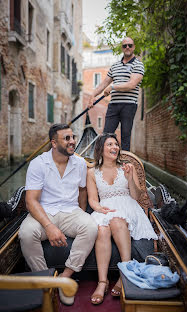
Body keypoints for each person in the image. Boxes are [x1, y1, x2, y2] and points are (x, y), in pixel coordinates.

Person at [19, 123, 98, 306]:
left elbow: (82, 191)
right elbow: (31, 201)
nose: (73, 142)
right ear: (54, 143)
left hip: (71, 211)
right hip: (44, 212)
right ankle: (46, 281)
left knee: (91, 226)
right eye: (67, 138)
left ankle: (64, 278)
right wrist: (49, 226)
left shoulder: (79, 163)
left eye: (73, 137)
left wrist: (83, 212)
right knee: (26, 233)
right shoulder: (38, 164)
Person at [87, 133, 157, 305]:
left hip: (127, 206)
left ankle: (125, 272)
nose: (115, 148)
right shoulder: (91, 172)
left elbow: (136, 196)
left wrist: (129, 179)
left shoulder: (128, 167)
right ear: (101, 149)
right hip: (104, 208)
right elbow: (92, 199)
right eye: (110, 144)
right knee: (102, 230)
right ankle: (102, 282)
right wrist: (98, 209)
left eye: (116, 144)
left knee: (117, 221)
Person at [87, 37, 144, 151]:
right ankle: (104, 164)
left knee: (125, 136)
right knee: (106, 136)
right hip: (113, 105)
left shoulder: (138, 65)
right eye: (124, 46)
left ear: (134, 47)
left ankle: (124, 165)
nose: (127, 47)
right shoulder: (115, 66)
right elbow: (103, 84)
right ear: (122, 48)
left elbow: (131, 84)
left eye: (130, 45)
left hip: (129, 105)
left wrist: (113, 87)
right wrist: (92, 96)